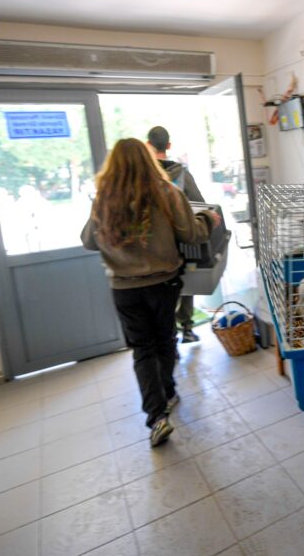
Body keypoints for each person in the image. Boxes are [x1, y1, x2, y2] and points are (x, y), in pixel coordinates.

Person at [81, 138, 219, 447]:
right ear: (149, 161)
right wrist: (208, 218)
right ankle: (168, 391)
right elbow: (192, 233)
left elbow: (89, 241)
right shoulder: (166, 192)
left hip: (124, 288)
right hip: (162, 283)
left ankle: (157, 417)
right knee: (165, 339)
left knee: (142, 350)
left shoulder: (104, 199)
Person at [147, 125, 206, 344]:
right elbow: (200, 203)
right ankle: (188, 328)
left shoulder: (145, 175)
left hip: (154, 245)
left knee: (162, 290)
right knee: (185, 282)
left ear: (149, 146)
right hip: (182, 239)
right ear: (168, 145)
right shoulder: (181, 173)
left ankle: (168, 334)